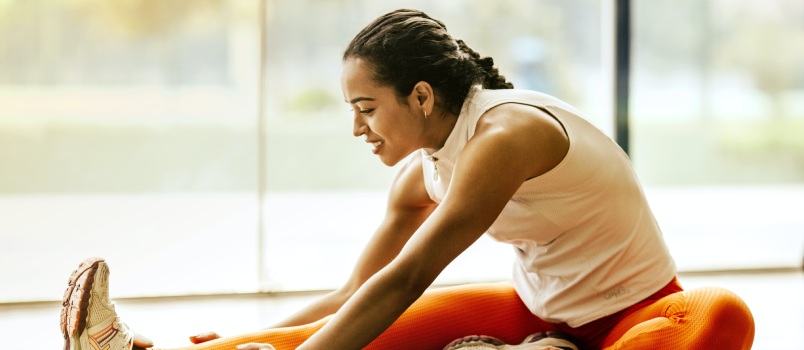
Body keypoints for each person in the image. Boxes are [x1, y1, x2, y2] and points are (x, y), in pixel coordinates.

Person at [60, 8, 755, 350]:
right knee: (350, 329)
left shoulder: (504, 137)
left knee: (725, 316)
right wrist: (250, 341)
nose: (358, 128)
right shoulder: (421, 173)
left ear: (421, 96)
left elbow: (409, 276)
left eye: (367, 108)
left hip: (637, 316)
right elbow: (354, 295)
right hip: (536, 313)